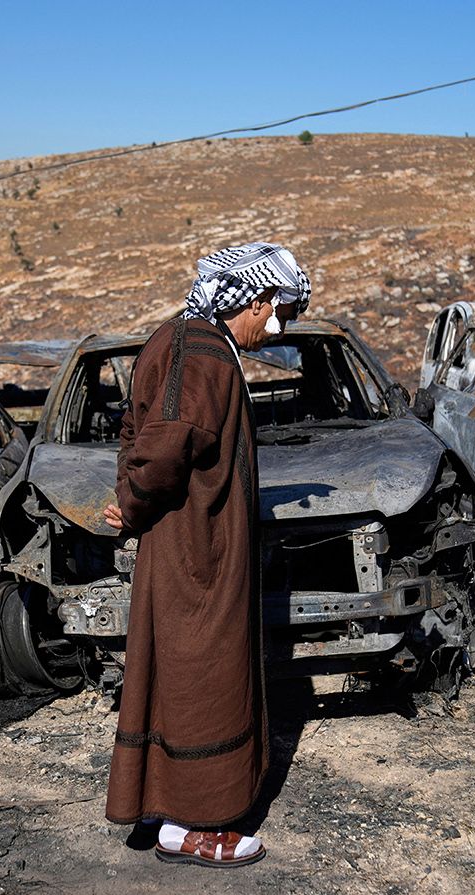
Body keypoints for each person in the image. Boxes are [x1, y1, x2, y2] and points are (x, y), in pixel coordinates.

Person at [101, 242, 310, 868]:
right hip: (198, 553)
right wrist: (134, 500)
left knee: (181, 673)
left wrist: (128, 498)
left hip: (188, 545)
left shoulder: (180, 340)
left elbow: (137, 430)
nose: (273, 329)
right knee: (205, 675)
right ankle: (199, 825)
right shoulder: (203, 353)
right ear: (252, 299)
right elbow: (166, 444)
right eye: (276, 313)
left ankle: (172, 817)